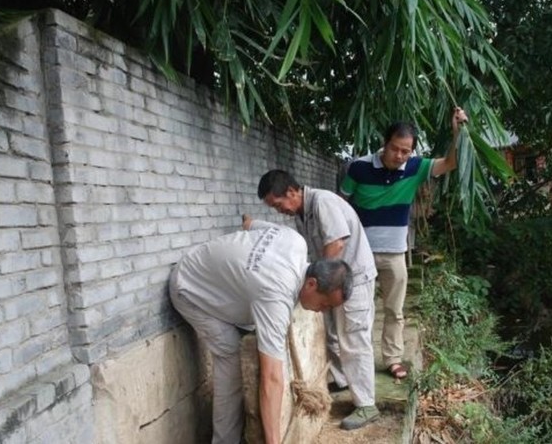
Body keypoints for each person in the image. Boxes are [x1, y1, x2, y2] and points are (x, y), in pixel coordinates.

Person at [168, 226, 353, 444]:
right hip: (189, 287)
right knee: (230, 354)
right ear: (311, 283)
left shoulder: (296, 241)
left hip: (207, 268)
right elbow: (272, 378)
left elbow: (253, 224)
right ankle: (224, 440)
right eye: (324, 304)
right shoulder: (275, 296)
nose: (322, 311)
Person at [340, 107, 468, 380]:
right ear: (384, 144)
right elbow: (341, 204)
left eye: (405, 151)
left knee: (394, 310)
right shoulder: (358, 167)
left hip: (395, 254)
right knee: (358, 310)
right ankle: (354, 363)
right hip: (360, 254)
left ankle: (392, 358)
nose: (399, 156)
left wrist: (456, 131)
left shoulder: (416, 167)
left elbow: (451, 162)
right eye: (395, 149)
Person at [248, 169, 379, 430]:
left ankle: (367, 405)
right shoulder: (301, 214)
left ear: (292, 192)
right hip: (332, 284)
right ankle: (343, 382)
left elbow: (336, 245)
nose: (279, 211)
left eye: (278, 204)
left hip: (349, 282)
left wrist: (318, 285)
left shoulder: (322, 202)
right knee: (333, 335)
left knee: (353, 339)